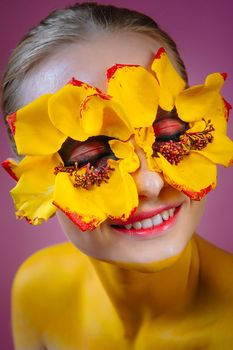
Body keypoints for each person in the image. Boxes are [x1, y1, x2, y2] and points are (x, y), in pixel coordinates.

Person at [1, 2, 233, 349]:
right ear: (34, 183)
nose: (151, 184)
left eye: (168, 134)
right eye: (90, 157)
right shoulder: (37, 291)